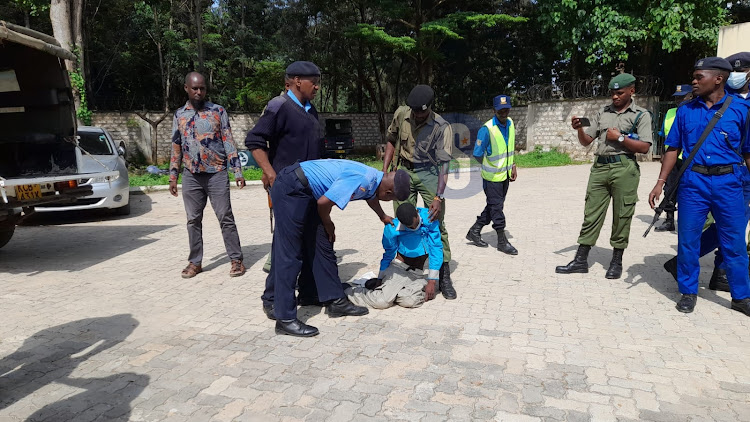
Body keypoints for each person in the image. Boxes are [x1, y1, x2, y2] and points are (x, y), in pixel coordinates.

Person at [648, 57, 750, 316]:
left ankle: (741, 297)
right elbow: (673, 148)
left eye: (698, 77)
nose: (693, 81)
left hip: (729, 181)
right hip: (693, 182)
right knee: (688, 239)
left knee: (734, 242)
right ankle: (688, 291)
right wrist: (660, 183)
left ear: (718, 79)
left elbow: (748, 152)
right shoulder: (685, 110)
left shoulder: (741, 110)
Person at [270, 159, 410, 337]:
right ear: (389, 192)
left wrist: (382, 216)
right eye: (391, 198)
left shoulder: (376, 178)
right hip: (292, 188)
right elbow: (323, 203)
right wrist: (328, 223)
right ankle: (285, 319)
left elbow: (372, 196)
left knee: (322, 245)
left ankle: (326, 298)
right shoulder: (361, 180)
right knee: (290, 254)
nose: (387, 199)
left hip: (307, 192)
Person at [245, 61, 324, 314]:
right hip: (288, 189)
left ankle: (309, 291)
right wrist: (270, 172)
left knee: (309, 239)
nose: (318, 87)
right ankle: (271, 298)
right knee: (286, 245)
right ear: (298, 80)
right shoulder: (278, 106)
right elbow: (255, 141)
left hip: (310, 187)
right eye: (315, 81)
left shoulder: (311, 110)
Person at [556, 73, 652, 279]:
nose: (615, 97)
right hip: (599, 168)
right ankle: (581, 260)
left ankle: (616, 261)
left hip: (624, 168)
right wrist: (580, 129)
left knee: (622, 216)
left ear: (631, 91)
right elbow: (586, 141)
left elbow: (644, 147)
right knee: (591, 214)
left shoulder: (641, 115)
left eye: (619, 93)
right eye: (612, 93)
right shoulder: (602, 112)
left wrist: (621, 137)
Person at [169, 72, 246, 279]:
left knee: (225, 217)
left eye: (202, 88)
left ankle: (236, 259)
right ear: (186, 88)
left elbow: (228, 140)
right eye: (194, 88)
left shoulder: (217, 111)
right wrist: (173, 176)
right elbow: (176, 146)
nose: (198, 92)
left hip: (217, 173)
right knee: (193, 220)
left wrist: (237, 170)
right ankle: (195, 262)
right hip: (191, 175)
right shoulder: (179, 115)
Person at [382, 85, 457, 300]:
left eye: (421, 112)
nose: (417, 115)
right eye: (414, 111)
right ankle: (407, 265)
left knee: (436, 222)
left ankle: (443, 275)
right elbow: (390, 140)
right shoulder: (401, 114)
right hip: (404, 170)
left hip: (429, 173)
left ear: (430, 108)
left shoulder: (442, 127)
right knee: (403, 219)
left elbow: (444, 165)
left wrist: (438, 197)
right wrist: (385, 172)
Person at [346, 203, 443, 309]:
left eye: (415, 224)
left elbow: (436, 249)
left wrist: (432, 281)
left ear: (417, 213)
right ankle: (349, 291)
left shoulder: (429, 218)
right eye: (409, 227)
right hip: (400, 269)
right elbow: (388, 254)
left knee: (410, 301)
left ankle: (389, 290)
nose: (414, 228)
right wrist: (380, 278)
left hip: (421, 274)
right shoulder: (392, 228)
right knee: (382, 302)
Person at [466, 94, 519, 254]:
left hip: (505, 175)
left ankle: (474, 231)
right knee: (497, 208)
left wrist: (513, 165)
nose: (504, 112)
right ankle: (502, 241)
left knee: (494, 206)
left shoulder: (510, 123)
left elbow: (510, 147)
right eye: (500, 109)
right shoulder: (487, 129)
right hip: (492, 178)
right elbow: (477, 153)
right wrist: (489, 165)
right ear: (494, 110)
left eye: (506, 109)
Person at [654, 85, 693, 232]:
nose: (678, 100)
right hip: (672, 159)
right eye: (676, 97)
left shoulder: (696, 112)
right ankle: (669, 220)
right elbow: (665, 136)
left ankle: (687, 223)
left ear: (690, 96)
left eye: (682, 96)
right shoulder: (670, 113)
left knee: (687, 191)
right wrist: (664, 156)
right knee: (669, 189)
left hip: (688, 159)